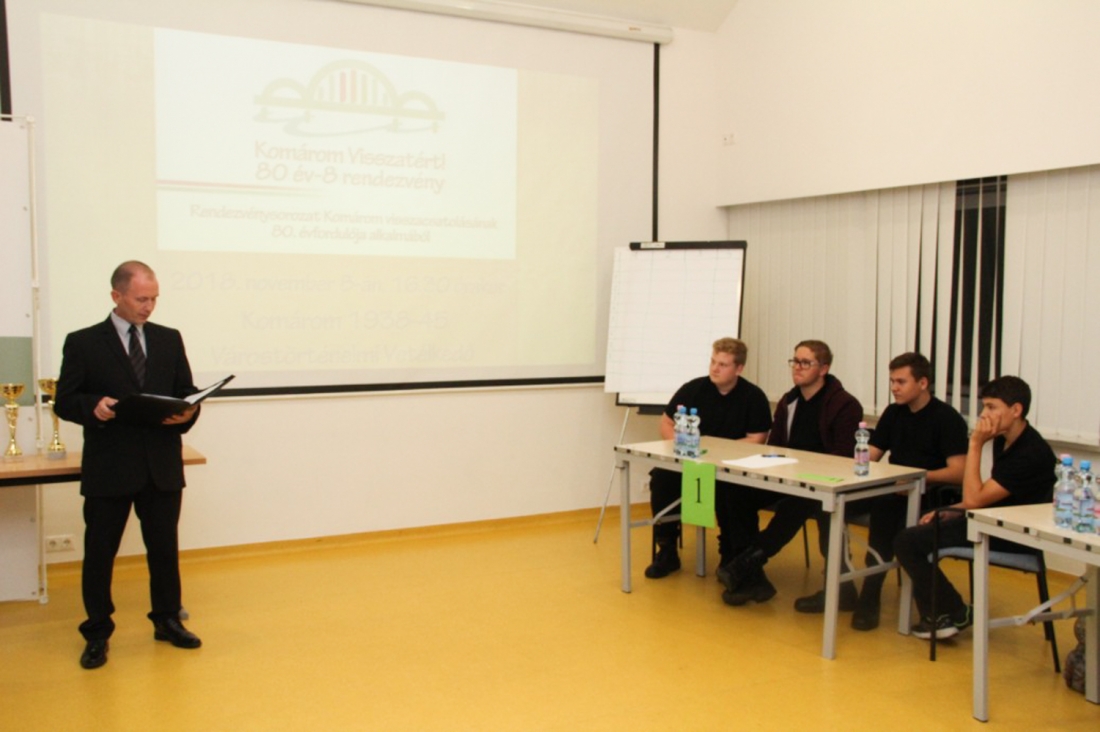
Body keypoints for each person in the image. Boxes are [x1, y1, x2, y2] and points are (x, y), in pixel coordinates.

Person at [54, 261, 203, 670]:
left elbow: (187, 393)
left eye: (154, 298)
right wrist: (93, 406)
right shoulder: (84, 342)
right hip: (110, 466)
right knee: (100, 553)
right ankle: (97, 632)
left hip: (161, 465)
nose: (149, 306)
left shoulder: (169, 339)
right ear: (116, 296)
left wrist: (188, 413)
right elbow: (65, 400)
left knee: (164, 549)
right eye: (141, 299)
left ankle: (167, 620)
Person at [894, 375, 1056, 640]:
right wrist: (951, 509)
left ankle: (954, 612)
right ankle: (940, 615)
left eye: (991, 407)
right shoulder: (1005, 440)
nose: (983, 414)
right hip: (992, 520)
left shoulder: (1031, 452)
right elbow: (984, 497)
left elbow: (974, 499)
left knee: (908, 541)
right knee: (923, 523)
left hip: (1015, 535)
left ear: (1016, 410)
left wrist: (975, 444)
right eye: (984, 406)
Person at [717, 340, 862, 608]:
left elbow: (843, 458)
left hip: (824, 482)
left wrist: (806, 473)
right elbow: (775, 446)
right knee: (734, 490)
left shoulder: (845, 404)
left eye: (806, 363)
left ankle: (748, 563)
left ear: (823, 369)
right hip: (787, 477)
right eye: (795, 361)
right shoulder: (789, 400)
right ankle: (751, 574)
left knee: (803, 501)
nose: (797, 367)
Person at [846, 353, 968, 631]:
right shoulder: (893, 413)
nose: (894, 388)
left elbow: (958, 472)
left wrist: (916, 478)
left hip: (930, 494)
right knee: (835, 507)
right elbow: (871, 455)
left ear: (922, 383)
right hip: (895, 490)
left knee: (887, 514)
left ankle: (870, 595)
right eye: (892, 381)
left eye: (901, 382)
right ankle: (849, 589)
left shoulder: (946, 418)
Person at [644, 337, 772, 579]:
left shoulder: (753, 396)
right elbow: (667, 422)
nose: (715, 368)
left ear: (739, 368)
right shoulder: (693, 389)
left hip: (730, 468)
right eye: (713, 362)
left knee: (730, 489)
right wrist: (681, 446)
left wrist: (715, 453)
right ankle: (667, 549)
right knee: (662, 478)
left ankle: (729, 555)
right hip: (691, 461)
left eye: (723, 364)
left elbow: (757, 439)